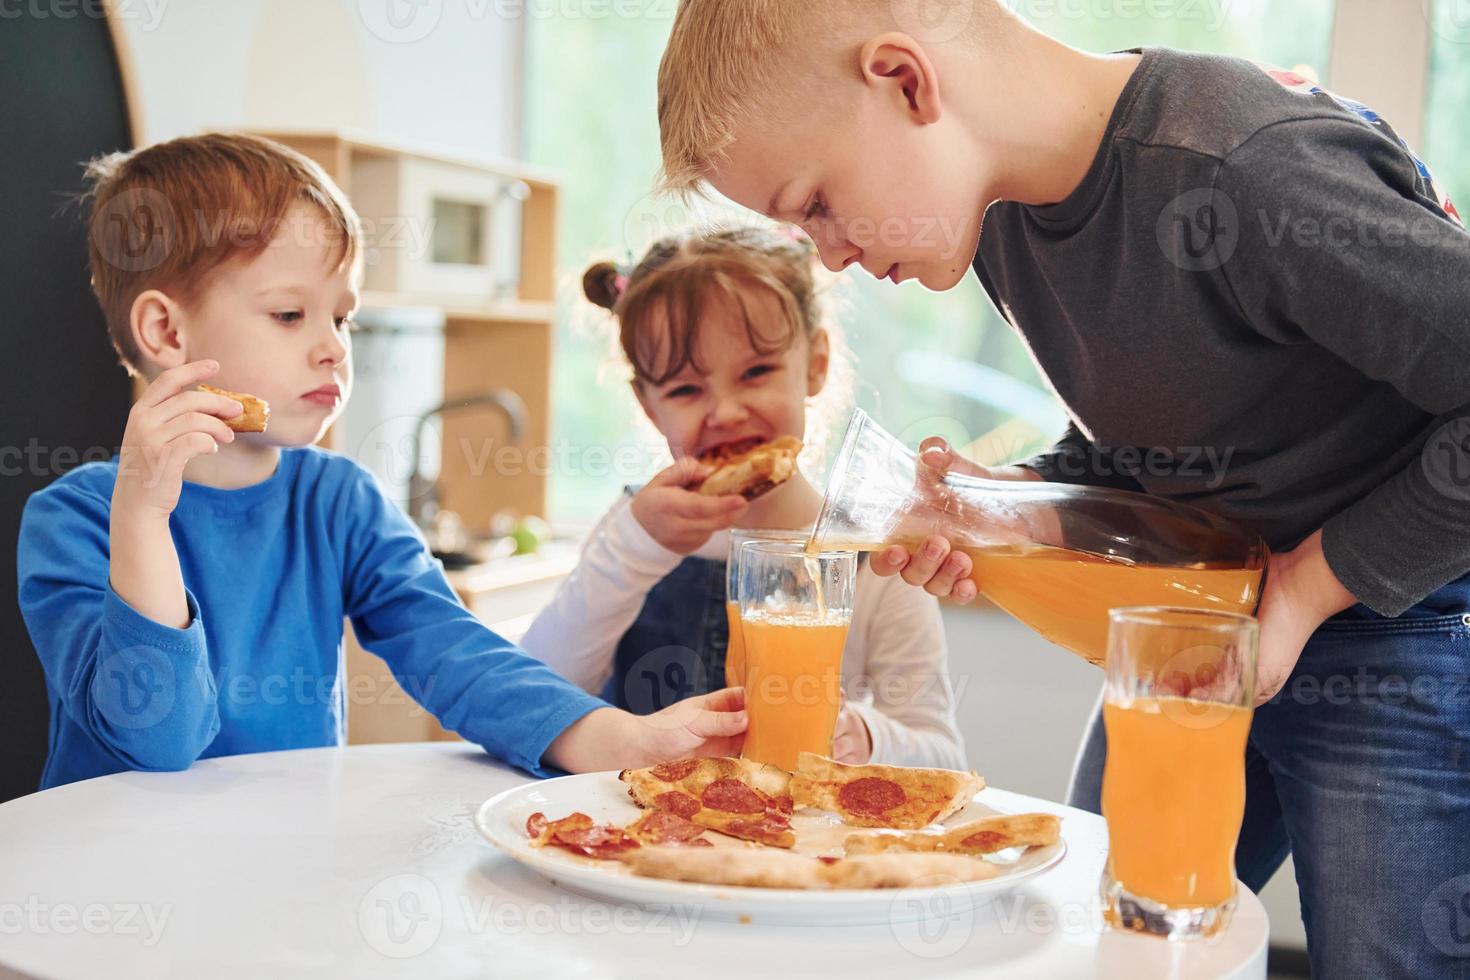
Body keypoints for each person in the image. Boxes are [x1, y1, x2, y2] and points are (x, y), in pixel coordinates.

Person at [653, 2, 1470, 975]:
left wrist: (1306, 591)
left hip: (1401, 616)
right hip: (1204, 622)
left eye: (816, 203)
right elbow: (1167, 429)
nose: (827, 257)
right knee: (1101, 941)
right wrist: (1007, 502)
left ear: (906, 80)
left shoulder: (1243, 167)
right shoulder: (999, 214)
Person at [17, 133, 744, 791]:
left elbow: (453, 650)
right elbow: (158, 741)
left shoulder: (337, 501)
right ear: (165, 331)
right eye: (289, 315)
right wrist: (142, 517)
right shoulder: (73, 521)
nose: (334, 346)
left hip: (279, 873)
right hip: (117, 886)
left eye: (343, 317)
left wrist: (625, 738)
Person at [520, 226, 964, 768]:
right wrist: (637, 546)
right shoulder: (633, 532)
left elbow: (944, 758)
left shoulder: (878, 557)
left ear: (816, 363)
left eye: (755, 372)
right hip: (632, 835)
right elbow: (534, 699)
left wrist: (864, 736)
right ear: (648, 404)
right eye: (685, 389)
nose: (726, 412)